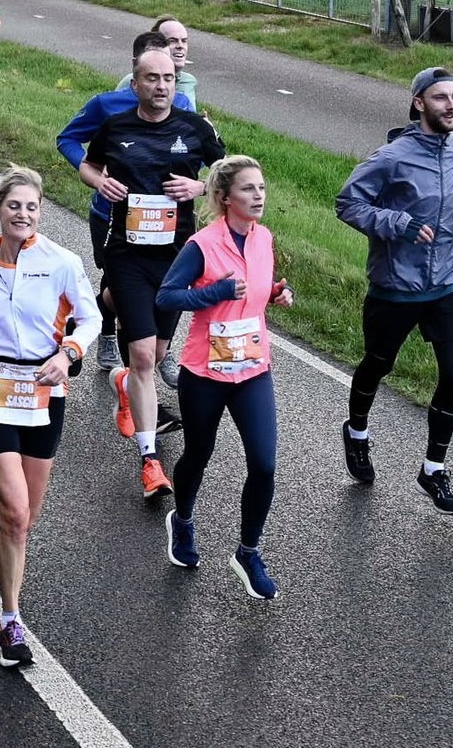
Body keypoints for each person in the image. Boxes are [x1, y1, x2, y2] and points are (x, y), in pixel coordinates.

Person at [0, 166, 101, 666]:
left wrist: (67, 356)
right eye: (14, 205)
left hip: (44, 391)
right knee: (18, 515)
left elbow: (91, 318)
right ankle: (10, 622)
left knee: (25, 515)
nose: (23, 214)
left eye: (32, 207)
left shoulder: (62, 261)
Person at [80, 49, 224, 499]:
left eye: (169, 79)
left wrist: (200, 186)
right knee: (143, 355)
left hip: (178, 257)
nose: (162, 86)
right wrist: (97, 181)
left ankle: (125, 382)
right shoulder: (117, 127)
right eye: (152, 79)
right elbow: (89, 163)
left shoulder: (195, 129)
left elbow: (228, 173)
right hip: (126, 253)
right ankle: (150, 462)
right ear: (136, 84)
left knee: (157, 352)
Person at [335, 67, 453, 516]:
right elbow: (348, 203)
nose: (451, 105)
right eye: (440, 98)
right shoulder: (391, 157)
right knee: (379, 364)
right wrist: (398, 223)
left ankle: (433, 469)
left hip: (447, 284)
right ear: (419, 103)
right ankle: (357, 432)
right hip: (396, 287)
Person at [155, 155, 292, 600]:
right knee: (198, 453)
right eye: (249, 189)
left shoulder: (264, 239)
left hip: (253, 367)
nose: (259, 196)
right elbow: (168, 295)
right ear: (224, 198)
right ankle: (184, 519)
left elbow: (252, 292)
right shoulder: (202, 244)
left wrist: (274, 293)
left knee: (265, 463)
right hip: (205, 371)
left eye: (262, 188)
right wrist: (213, 292)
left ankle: (248, 552)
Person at [58, 31, 192, 392]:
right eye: (154, 71)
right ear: (137, 71)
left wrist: (194, 187)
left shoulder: (182, 106)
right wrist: (99, 178)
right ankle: (116, 348)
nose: (165, 75)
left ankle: (131, 347)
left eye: (170, 69)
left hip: (165, 225)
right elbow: (68, 140)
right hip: (111, 215)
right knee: (121, 286)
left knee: (145, 292)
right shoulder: (107, 105)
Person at [116, 15, 197, 110]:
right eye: (172, 41)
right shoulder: (134, 82)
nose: (180, 46)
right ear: (157, 44)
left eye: (184, 41)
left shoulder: (189, 81)